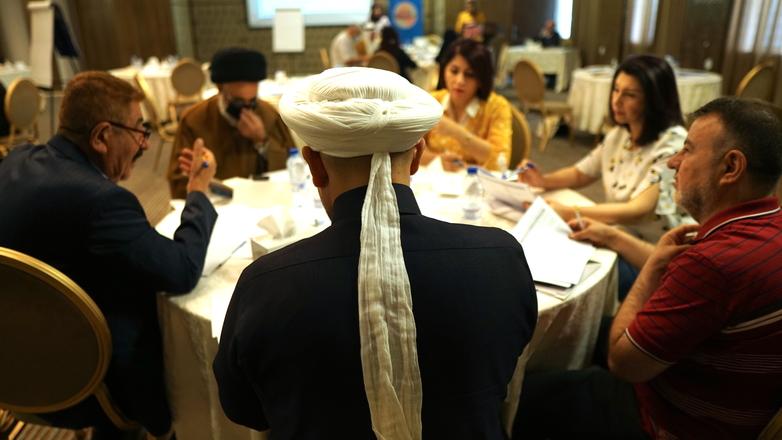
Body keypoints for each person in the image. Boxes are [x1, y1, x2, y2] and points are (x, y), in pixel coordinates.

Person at [213, 67, 538, 439]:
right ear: (417, 156)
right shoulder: (501, 259)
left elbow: (245, 409)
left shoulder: (264, 285)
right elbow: (506, 370)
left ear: (314, 165)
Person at [514, 97, 782, 439]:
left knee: (521, 395)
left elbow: (623, 362)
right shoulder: (764, 227)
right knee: (580, 328)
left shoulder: (713, 262)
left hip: (669, 422)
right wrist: (614, 237)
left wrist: (651, 269)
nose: (673, 162)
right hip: (731, 399)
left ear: (730, 167)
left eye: (687, 150)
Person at [0, 71, 219, 438]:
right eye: (138, 130)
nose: (145, 144)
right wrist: (197, 190)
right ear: (102, 136)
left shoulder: (16, 160)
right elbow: (181, 270)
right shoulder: (102, 202)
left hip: (11, 364)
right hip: (81, 380)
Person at [167, 47, 294, 198]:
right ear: (220, 88)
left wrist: (262, 141)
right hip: (216, 203)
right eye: (238, 101)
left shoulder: (269, 115)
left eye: (252, 101)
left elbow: (292, 165)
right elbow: (178, 181)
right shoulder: (194, 120)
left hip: (264, 198)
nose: (246, 108)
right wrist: (202, 177)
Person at [425, 38, 512, 171]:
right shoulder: (431, 101)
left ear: (481, 79)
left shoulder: (497, 107)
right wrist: (438, 160)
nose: (460, 80)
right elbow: (409, 152)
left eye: (470, 74)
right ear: (443, 71)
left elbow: (500, 162)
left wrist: (456, 132)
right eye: (454, 71)